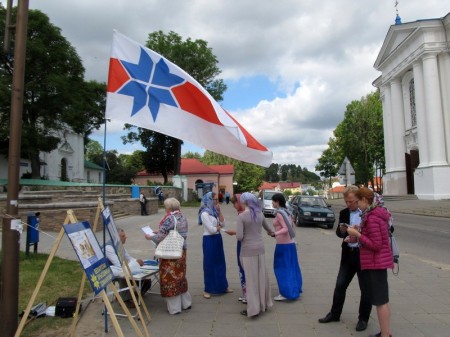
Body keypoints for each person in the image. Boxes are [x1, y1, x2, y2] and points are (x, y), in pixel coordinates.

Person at [318, 185, 372, 332]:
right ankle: (334, 314)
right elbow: (339, 233)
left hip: (364, 255)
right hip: (348, 254)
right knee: (340, 285)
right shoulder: (343, 212)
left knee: (366, 289)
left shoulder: (367, 213)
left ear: (359, 199)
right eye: (346, 201)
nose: (349, 204)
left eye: (352, 201)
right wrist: (342, 231)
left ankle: (363, 319)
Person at [347, 187, 393, 337]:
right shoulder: (372, 214)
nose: (357, 205)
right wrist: (359, 232)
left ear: (365, 200)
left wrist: (358, 235)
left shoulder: (372, 217)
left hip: (376, 263)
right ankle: (385, 332)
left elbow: (376, 245)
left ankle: (386, 334)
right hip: (376, 263)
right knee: (381, 300)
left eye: (358, 201)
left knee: (381, 301)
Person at [145, 198, 192, 314]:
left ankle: (174, 308)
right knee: (180, 276)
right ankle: (186, 303)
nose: (165, 209)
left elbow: (159, 238)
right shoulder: (182, 217)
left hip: (170, 253)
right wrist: (159, 232)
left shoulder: (169, 219)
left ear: (169, 208)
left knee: (170, 279)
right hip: (181, 251)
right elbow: (174, 232)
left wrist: (150, 237)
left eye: (166, 207)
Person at [236, 192, 274, 317]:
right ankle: (264, 304)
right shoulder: (260, 214)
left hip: (247, 251)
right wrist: (273, 233)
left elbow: (240, 236)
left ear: (244, 202)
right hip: (260, 249)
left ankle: (253, 308)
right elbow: (268, 229)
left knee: (251, 280)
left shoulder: (242, 217)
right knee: (261, 276)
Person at [105, 229, 152, 308]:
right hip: (112, 271)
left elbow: (129, 258)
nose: (126, 237)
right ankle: (125, 300)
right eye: (123, 236)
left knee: (145, 281)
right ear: (116, 237)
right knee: (124, 276)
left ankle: (130, 294)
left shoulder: (119, 245)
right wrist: (135, 263)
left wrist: (137, 261)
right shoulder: (108, 247)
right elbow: (119, 265)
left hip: (121, 268)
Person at [199, 191, 233, 298]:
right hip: (209, 239)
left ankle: (223, 286)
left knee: (220, 262)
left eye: (217, 199)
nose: (217, 201)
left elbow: (223, 224)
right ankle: (208, 289)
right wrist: (218, 228)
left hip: (218, 239)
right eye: (215, 199)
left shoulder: (214, 211)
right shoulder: (204, 213)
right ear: (209, 200)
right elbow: (212, 230)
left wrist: (219, 212)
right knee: (209, 264)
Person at [270, 193, 302, 301]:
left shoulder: (280, 213)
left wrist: (275, 233)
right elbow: (292, 226)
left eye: (273, 201)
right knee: (291, 267)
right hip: (290, 244)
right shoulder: (287, 211)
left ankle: (285, 293)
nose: (272, 203)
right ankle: (294, 289)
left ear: (277, 201)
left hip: (283, 245)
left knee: (281, 268)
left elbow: (285, 229)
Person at [229, 194, 247, 303]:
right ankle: (245, 293)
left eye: (234, 203)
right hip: (241, 243)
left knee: (244, 267)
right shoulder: (241, 213)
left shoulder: (244, 214)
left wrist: (233, 232)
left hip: (245, 244)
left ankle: (248, 294)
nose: (233, 206)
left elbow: (244, 233)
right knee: (242, 267)